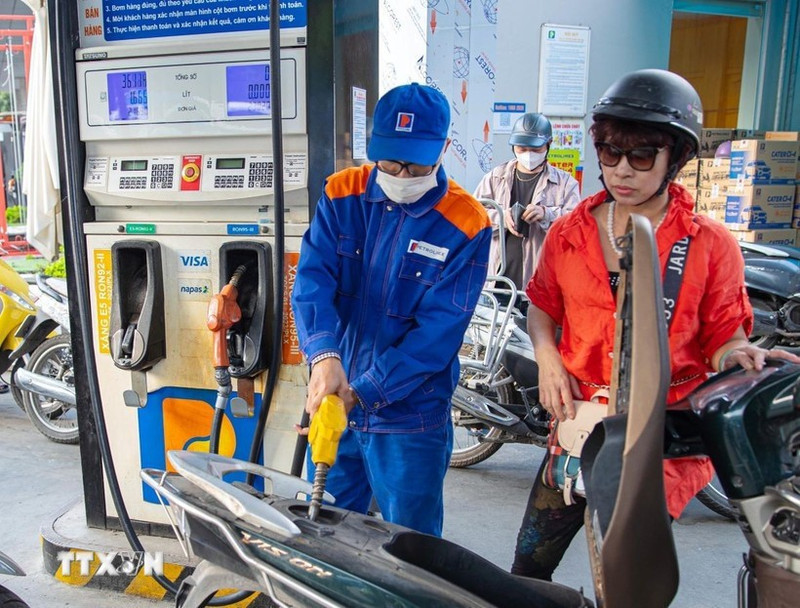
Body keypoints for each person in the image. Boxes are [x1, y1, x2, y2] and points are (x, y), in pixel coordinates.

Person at [511, 68, 800, 580]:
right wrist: (549, 359)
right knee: (527, 567)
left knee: (623, 579)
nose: (622, 170)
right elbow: (543, 306)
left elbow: (723, 336)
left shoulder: (710, 245)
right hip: (578, 425)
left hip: (657, 442)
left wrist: (737, 355)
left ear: (674, 159)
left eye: (641, 156)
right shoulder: (568, 232)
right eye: (610, 154)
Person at [291, 83, 492, 536]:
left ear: (442, 149)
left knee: (410, 548)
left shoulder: (466, 223)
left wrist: (363, 391)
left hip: (409, 416)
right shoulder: (342, 194)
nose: (401, 173)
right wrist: (324, 357)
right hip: (333, 397)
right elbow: (312, 280)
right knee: (324, 533)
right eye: (389, 160)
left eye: (415, 162)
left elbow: (435, 336)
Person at [473, 113, 580, 307]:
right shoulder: (495, 178)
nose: (528, 154)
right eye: (522, 148)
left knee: (532, 336)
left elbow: (576, 228)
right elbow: (472, 218)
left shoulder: (565, 184)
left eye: (535, 149)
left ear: (548, 145)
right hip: (496, 284)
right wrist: (501, 217)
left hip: (540, 286)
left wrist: (547, 214)